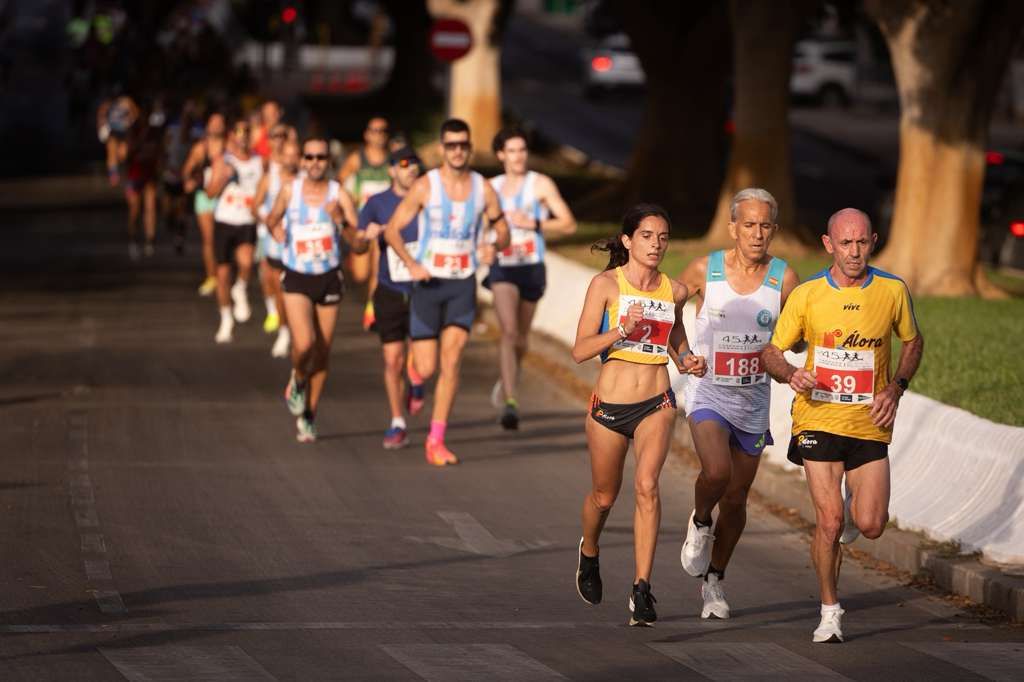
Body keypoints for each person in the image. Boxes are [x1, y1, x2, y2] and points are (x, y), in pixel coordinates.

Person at [762, 208, 924, 643]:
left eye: (862, 243)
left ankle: (857, 502)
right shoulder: (809, 294)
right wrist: (791, 373)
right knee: (830, 522)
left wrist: (896, 387)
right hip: (817, 417)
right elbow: (772, 352)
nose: (854, 252)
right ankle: (830, 609)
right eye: (845, 243)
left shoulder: (891, 290)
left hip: (869, 421)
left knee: (870, 524)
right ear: (828, 244)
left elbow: (912, 340)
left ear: (873, 241)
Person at [571, 205, 706, 627]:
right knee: (604, 497)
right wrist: (621, 331)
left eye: (663, 237)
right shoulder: (605, 285)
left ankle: (642, 588)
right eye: (647, 236)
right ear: (628, 240)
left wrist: (684, 358)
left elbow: (674, 330)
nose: (656, 244)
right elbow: (579, 350)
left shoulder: (675, 290)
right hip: (609, 407)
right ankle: (589, 550)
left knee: (648, 486)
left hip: (656, 402)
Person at [677, 188, 801, 619]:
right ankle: (698, 520)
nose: (757, 233)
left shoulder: (784, 278)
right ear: (733, 228)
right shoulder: (704, 269)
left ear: (774, 230)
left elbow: (797, 331)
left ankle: (714, 580)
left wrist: (793, 342)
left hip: (753, 398)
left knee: (737, 497)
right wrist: (682, 354)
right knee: (716, 471)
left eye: (765, 225)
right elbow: (668, 310)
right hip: (708, 391)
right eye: (748, 224)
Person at [383, 118, 510, 466]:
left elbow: (503, 231)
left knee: (451, 360)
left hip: (460, 285)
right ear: (442, 148)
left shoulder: (483, 189)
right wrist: (411, 264)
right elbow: (392, 231)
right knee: (426, 367)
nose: (457, 151)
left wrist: (493, 247)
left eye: (463, 145)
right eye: (451, 145)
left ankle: (435, 439)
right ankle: (414, 374)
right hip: (427, 283)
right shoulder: (426, 186)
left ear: (469, 148)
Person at [266, 137, 364, 442]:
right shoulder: (289, 191)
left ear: (329, 162)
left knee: (323, 353)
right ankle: (297, 378)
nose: (315, 163)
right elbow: (271, 218)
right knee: (305, 343)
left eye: (321, 157)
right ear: (303, 161)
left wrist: (340, 222)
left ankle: (309, 414)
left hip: (329, 277)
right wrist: (276, 230)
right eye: (309, 157)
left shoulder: (340, 195)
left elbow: (360, 243)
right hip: (297, 276)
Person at [485, 127, 577, 430]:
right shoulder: (490, 188)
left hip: (531, 266)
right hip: (502, 267)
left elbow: (568, 224)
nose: (518, 156)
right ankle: (510, 401)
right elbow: (475, 223)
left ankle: (512, 369)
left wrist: (535, 222)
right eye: (511, 151)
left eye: (522, 150)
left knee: (522, 337)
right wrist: (483, 246)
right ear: (501, 155)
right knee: (508, 331)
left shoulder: (540, 184)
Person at [359, 147, 427, 449]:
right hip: (389, 288)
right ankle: (397, 422)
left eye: (415, 165)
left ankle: (418, 381)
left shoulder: (429, 200)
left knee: (423, 361)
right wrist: (367, 234)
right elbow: (358, 244)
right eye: (403, 164)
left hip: (424, 290)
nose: (410, 169)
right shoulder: (377, 203)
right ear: (391, 170)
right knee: (392, 360)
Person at [204, 117, 264, 343]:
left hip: (247, 221)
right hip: (225, 220)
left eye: (246, 131)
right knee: (222, 274)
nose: (242, 135)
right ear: (231, 136)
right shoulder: (222, 160)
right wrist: (222, 179)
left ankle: (240, 288)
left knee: (247, 262)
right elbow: (209, 193)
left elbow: (264, 188)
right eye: (238, 131)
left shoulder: (259, 161)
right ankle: (226, 318)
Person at [338, 116, 392, 326]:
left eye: (382, 130)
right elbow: (339, 184)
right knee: (360, 274)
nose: (378, 134)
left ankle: (372, 308)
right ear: (367, 134)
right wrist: (349, 202)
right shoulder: (357, 159)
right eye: (374, 130)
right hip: (361, 222)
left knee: (378, 269)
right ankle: (354, 265)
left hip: (384, 225)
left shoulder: (391, 161)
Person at [253, 133, 299, 358]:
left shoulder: (307, 181)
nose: (290, 160)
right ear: (279, 157)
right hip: (275, 242)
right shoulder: (269, 179)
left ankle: (296, 330)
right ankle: (283, 330)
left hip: (301, 245)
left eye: (294, 156)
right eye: (286, 155)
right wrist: (270, 221)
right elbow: (255, 206)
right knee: (278, 288)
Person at [182, 112, 226, 296]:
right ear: (207, 126)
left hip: (226, 198)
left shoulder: (229, 147)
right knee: (209, 239)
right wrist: (192, 181)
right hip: (205, 198)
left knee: (223, 239)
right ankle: (211, 276)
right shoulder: (201, 148)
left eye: (219, 123)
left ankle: (225, 275)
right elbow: (186, 171)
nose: (216, 126)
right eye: (212, 122)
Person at [123, 104, 162, 260]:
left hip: (150, 174)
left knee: (150, 208)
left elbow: (159, 151)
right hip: (134, 174)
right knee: (134, 210)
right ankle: (133, 239)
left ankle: (150, 241)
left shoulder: (154, 132)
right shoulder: (132, 130)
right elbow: (128, 153)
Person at [97, 94, 138, 186]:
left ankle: (125, 172)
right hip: (113, 131)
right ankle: (113, 174)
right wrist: (101, 127)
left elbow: (135, 113)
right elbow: (101, 114)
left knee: (123, 154)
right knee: (111, 151)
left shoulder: (127, 101)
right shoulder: (108, 103)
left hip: (124, 132)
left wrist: (130, 120)